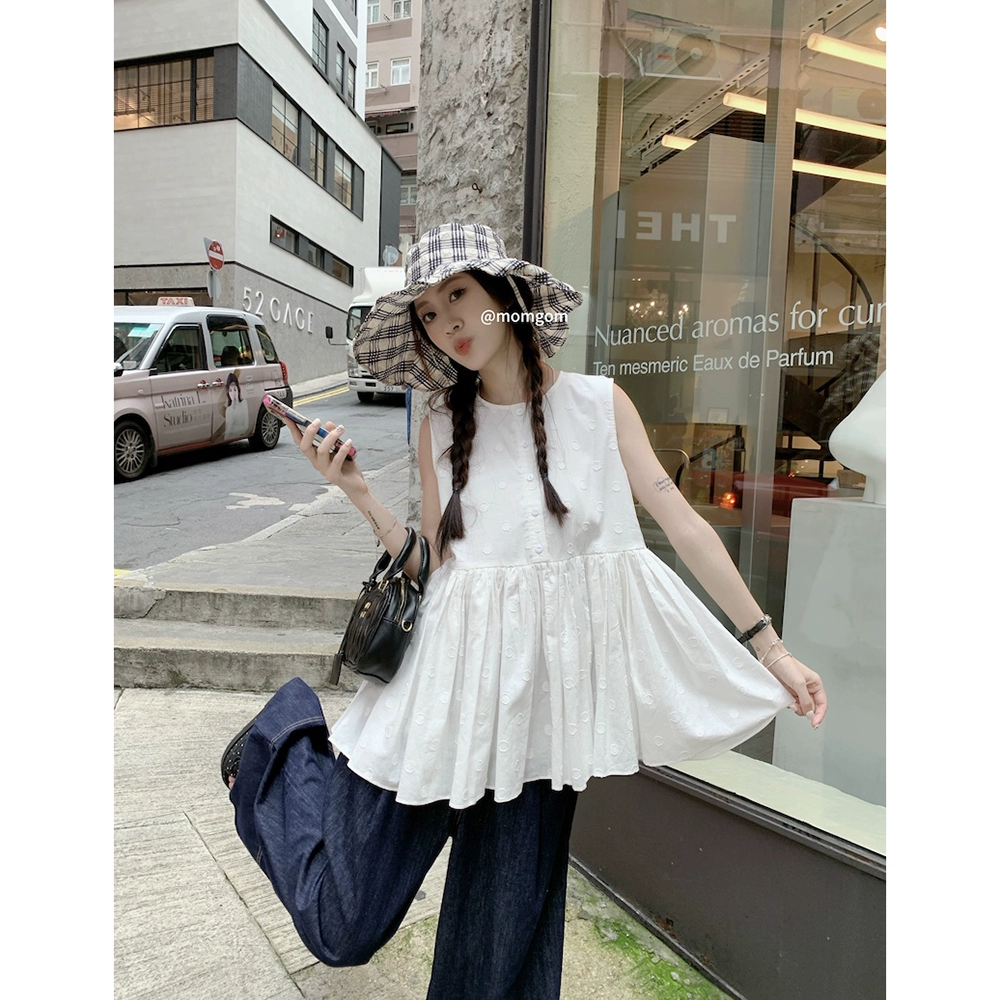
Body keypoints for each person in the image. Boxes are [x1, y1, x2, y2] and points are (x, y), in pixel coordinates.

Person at [221, 223, 827, 999]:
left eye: (458, 295)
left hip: (540, 722)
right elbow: (434, 568)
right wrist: (356, 490)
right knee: (344, 923)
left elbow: (682, 525)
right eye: (429, 312)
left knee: (500, 959)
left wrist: (769, 647)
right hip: (440, 702)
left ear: (506, 296)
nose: (447, 322)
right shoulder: (441, 427)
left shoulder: (600, 406)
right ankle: (281, 747)